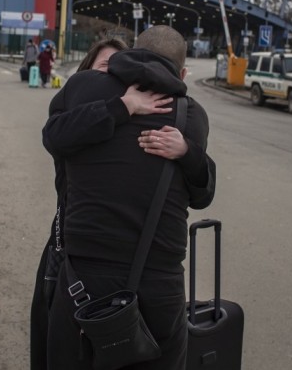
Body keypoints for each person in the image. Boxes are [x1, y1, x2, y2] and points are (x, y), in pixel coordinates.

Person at [42, 25, 216, 370]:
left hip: (83, 276)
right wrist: (187, 152)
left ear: (132, 53)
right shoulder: (191, 115)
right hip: (160, 280)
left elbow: (54, 138)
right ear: (182, 73)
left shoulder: (82, 87)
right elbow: (201, 196)